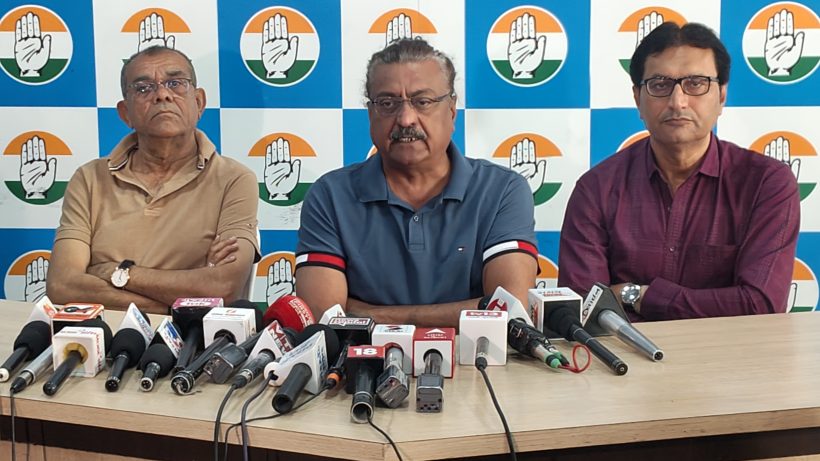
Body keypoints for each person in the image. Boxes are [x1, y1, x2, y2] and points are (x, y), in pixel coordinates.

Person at [558, 22, 800, 321]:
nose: (677, 102)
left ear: (722, 96)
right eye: (660, 85)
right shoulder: (597, 188)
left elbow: (760, 305)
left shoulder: (765, 183)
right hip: (624, 351)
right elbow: (585, 309)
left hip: (732, 351)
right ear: (637, 98)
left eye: (696, 84)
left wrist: (638, 295)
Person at [294, 38, 538, 327]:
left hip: (477, 356)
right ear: (371, 113)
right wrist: (472, 310)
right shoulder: (330, 196)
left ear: (452, 110)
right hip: (361, 356)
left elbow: (509, 311)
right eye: (387, 103)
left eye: (422, 102)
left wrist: (371, 314)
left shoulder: (502, 190)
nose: (406, 118)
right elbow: (324, 317)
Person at [46, 46, 260, 314]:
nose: (162, 95)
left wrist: (117, 272)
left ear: (199, 102)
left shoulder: (234, 179)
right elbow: (62, 285)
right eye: (143, 88)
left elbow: (223, 287)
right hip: (100, 330)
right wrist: (175, 305)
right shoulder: (89, 179)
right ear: (125, 113)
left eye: (175, 83)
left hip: (187, 337)